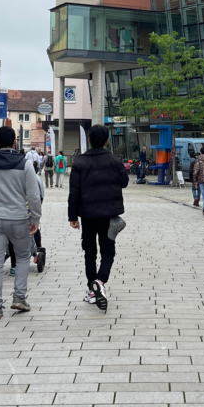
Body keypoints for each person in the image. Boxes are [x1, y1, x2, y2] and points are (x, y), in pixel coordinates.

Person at [0, 126, 42, 320]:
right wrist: (35, 219)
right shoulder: (25, 165)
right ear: (15, 142)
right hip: (18, 219)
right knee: (22, 257)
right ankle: (19, 298)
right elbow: (34, 195)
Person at [68, 125, 128, 311]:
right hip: (109, 214)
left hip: (87, 215)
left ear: (89, 140)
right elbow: (124, 182)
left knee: (90, 253)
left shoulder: (80, 162)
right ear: (106, 140)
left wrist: (72, 216)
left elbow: (74, 192)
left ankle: (92, 290)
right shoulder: (114, 160)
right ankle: (101, 281)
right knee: (108, 252)